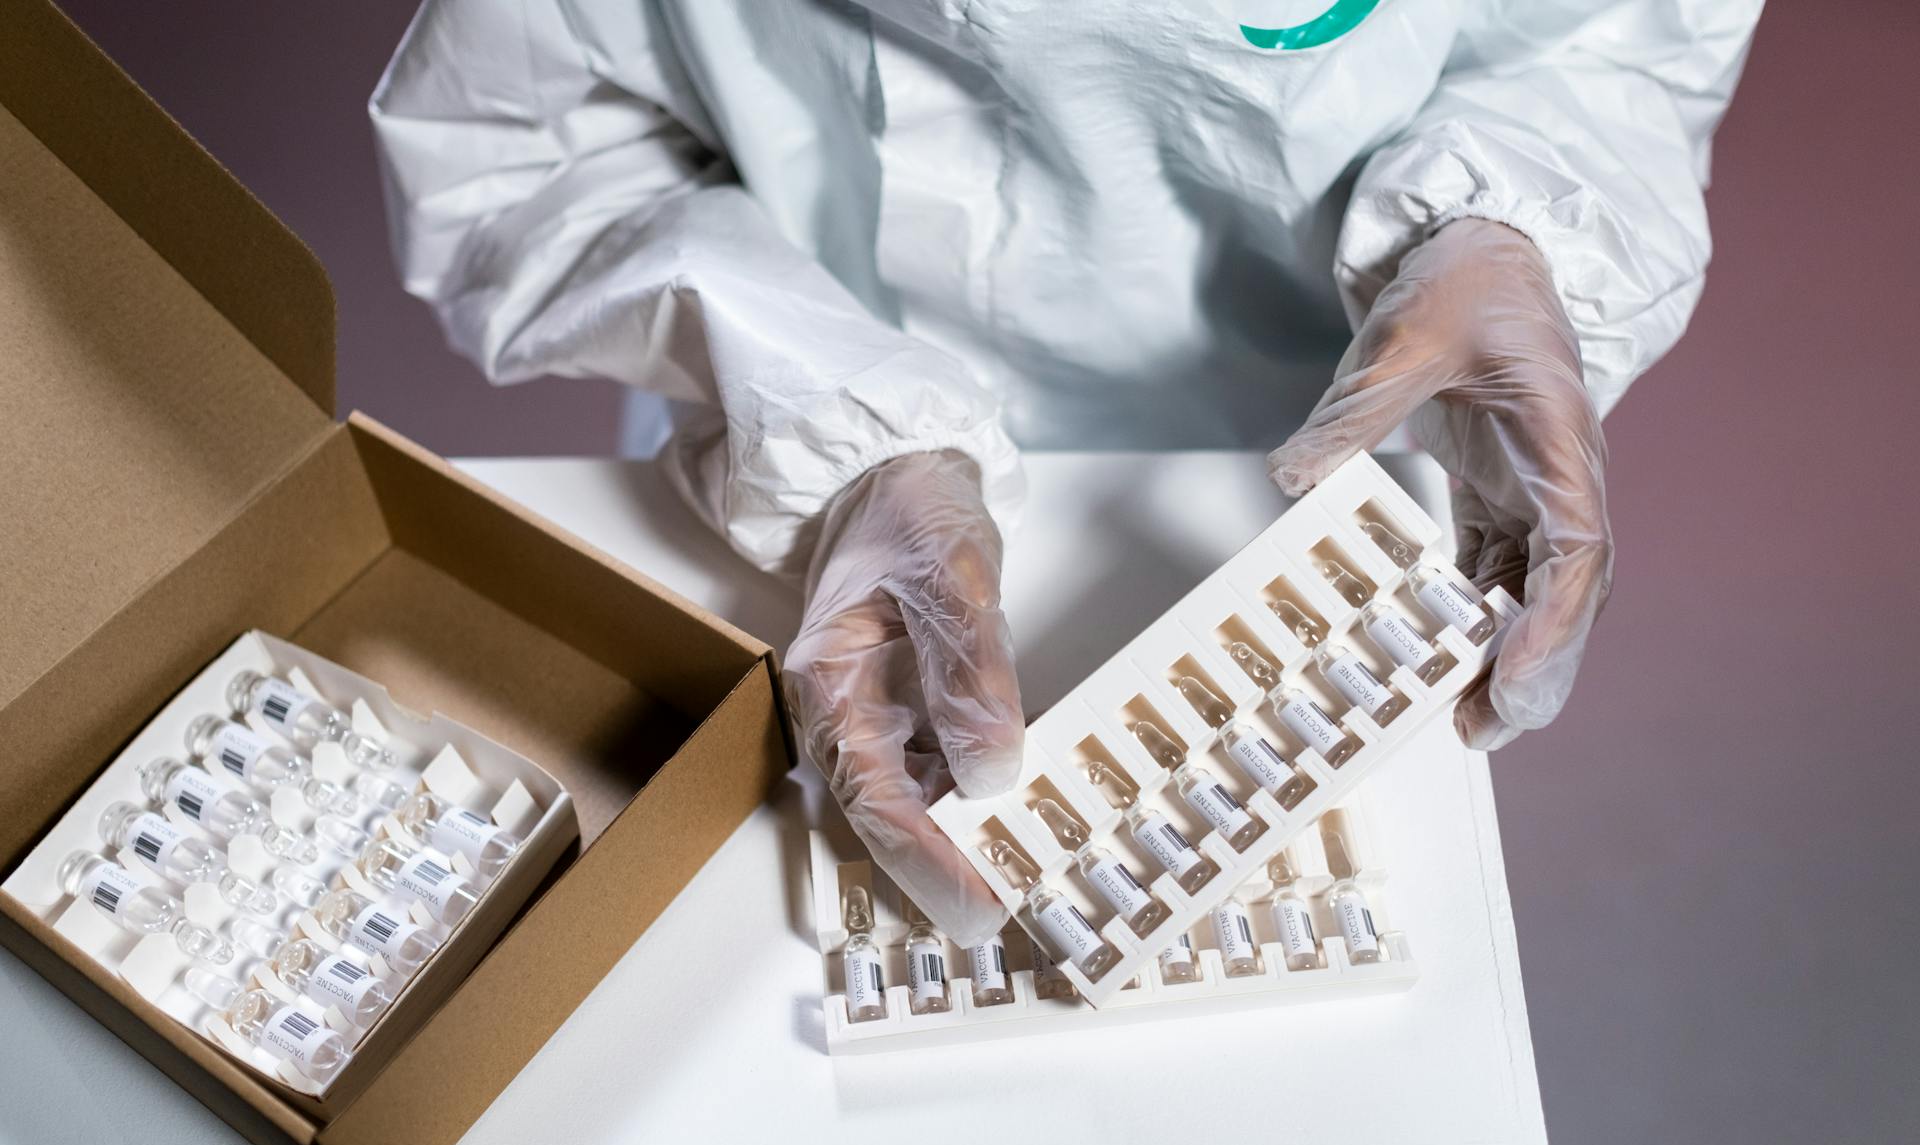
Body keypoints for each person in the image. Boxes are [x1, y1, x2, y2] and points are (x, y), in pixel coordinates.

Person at [371, 0, 1761, 945]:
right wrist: (831, 421)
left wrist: (1511, 223)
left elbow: (1614, 34)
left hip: (1303, 440)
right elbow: (520, 154)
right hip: (782, 401)